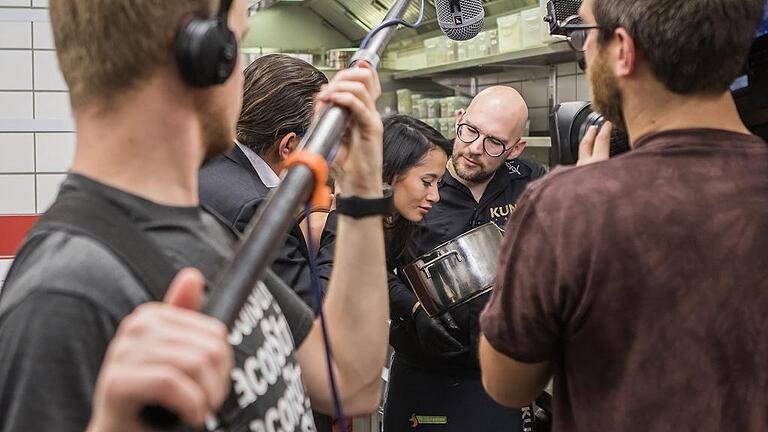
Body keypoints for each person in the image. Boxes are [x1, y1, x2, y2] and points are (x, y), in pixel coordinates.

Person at [0, 1, 391, 431]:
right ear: (203, 54)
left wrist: (361, 187)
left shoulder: (202, 229)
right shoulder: (68, 289)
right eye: (238, 46)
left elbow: (349, 380)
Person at [479, 0, 768, 431]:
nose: (583, 51)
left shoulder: (568, 207)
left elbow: (507, 383)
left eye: (585, 34)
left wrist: (583, 198)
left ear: (622, 50)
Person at [383, 87, 548, 432]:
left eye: (494, 143)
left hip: (500, 376)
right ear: (459, 119)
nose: (475, 148)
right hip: (424, 373)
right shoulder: (418, 176)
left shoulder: (533, 184)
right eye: (470, 131)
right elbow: (372, 267)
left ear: (516, 148)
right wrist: (412, 308)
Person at [199, 54, 333, 312]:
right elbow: (313, 310)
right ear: (289, 145)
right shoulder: (255, 209)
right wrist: (342, 218)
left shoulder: (210, 161)